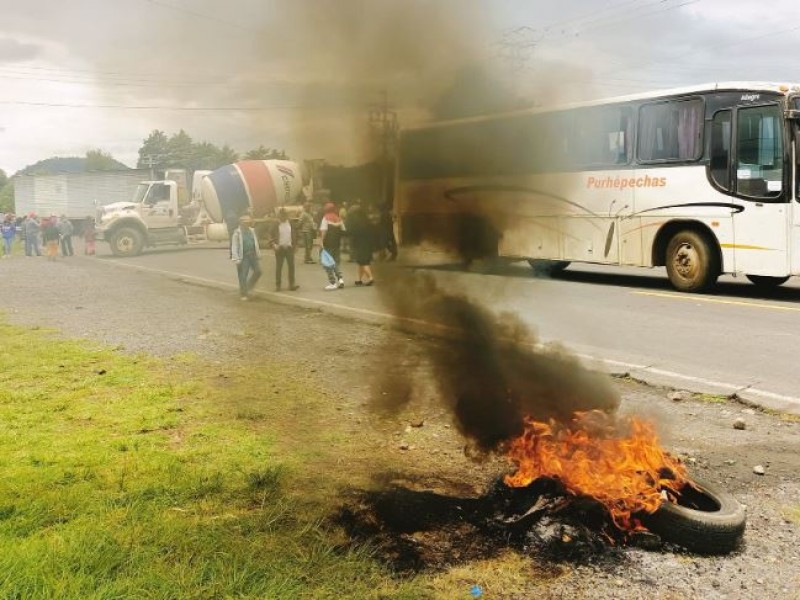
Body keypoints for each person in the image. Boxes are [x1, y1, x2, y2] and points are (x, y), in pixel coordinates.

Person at [230, 215, 262, 300]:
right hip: (243, 256)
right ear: (241, 223)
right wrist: (236, 258)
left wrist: (258, 253)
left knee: (258, 271)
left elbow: (255, 242)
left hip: (253, 254)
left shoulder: (252, 231)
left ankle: (249, 286)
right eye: (245, 223)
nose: (247, 224)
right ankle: (243, 293)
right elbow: (234, 246)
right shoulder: (237, 233)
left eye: (248, 223)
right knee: (243, 275)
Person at [268, 208, 299, 291]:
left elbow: (295, 234)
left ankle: (291, 285)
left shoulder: (290, 223)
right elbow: (270, 235)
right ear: (279, 215)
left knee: (291, 267)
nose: (283, 217)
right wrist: (273, 245)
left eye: (285, 215)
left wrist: (295, 245)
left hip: (289, 248)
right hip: (280, 248)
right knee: (279, 267)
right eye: (282, 215)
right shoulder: (275, 224)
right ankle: (278, 285)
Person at [346, 201, 375, 286]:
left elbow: (350, 232)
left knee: (363, 262)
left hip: (360, 244)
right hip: (367, 243)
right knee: (361, 262)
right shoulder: (366, 220)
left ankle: (371, 278)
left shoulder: (355, 223)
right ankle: (359, 279)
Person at [319, 202, 345, 290]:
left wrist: (321, 242)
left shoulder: (325, 218)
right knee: (336, 262)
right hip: (337, 244)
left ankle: (332, 282)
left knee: (327, 263)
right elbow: (344, 230)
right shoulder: (338, 218)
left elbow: (324, 231)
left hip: (328, 244)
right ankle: (340, 279)